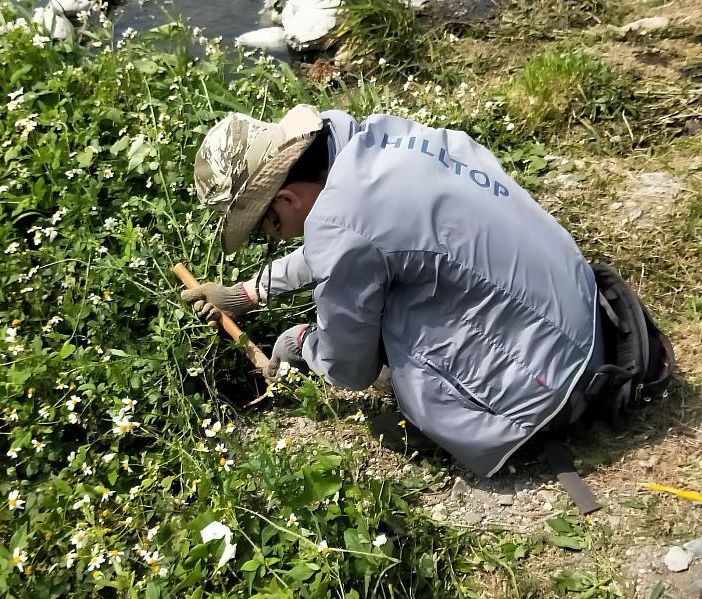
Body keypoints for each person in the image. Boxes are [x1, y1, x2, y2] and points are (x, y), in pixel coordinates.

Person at [181, 104, 606, 477]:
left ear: (288, 199)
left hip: (555, 383)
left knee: (389, 316)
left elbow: (350, 367)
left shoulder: (340, 222)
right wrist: (250, 291)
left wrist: (303, 343)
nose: (276, 238)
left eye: (266, 229)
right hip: (590, 315)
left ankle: (470, 414)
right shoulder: (375, 144)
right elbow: (353, 240)